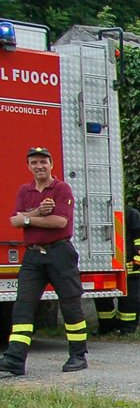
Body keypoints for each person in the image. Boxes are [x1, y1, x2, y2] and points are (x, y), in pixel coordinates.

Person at [1, 146, 88, 376]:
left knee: (70, 304)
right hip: (33, 255)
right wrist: (39, 212)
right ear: (28, 167)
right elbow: (14, 221)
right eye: (34, 163)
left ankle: (78, 355)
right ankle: (14, 360)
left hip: (59, 253)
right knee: (23, 306)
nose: (39, 166)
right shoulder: (25, 190)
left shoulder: (61, 189)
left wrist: (28, 218)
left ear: (51, 165)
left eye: (43, 162)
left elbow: (60, 222)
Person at [97, 204, 140, 336]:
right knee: (102, 298)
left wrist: (138, 255)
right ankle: (106, 326)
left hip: (130, 263)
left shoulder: (131, 213)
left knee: (130, 299)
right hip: (106, 263)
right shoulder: (99, 213)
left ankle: (128, 328)